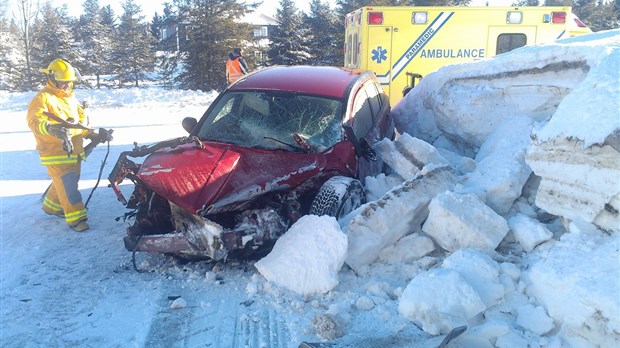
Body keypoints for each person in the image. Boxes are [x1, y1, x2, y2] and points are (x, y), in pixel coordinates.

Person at [26, 58, 112, 232]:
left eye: (69, 82)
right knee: (69, 185)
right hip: (55, 152)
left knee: (64, 183)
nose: (66, 85)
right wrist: (50, 128)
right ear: (52, 78)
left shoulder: (69, 99)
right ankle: (76, 218)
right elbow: (35, 122)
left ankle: (52, 207)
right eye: (62, 82)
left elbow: (77, 125)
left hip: (74, 151)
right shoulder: (43, 98)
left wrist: (93, 135)